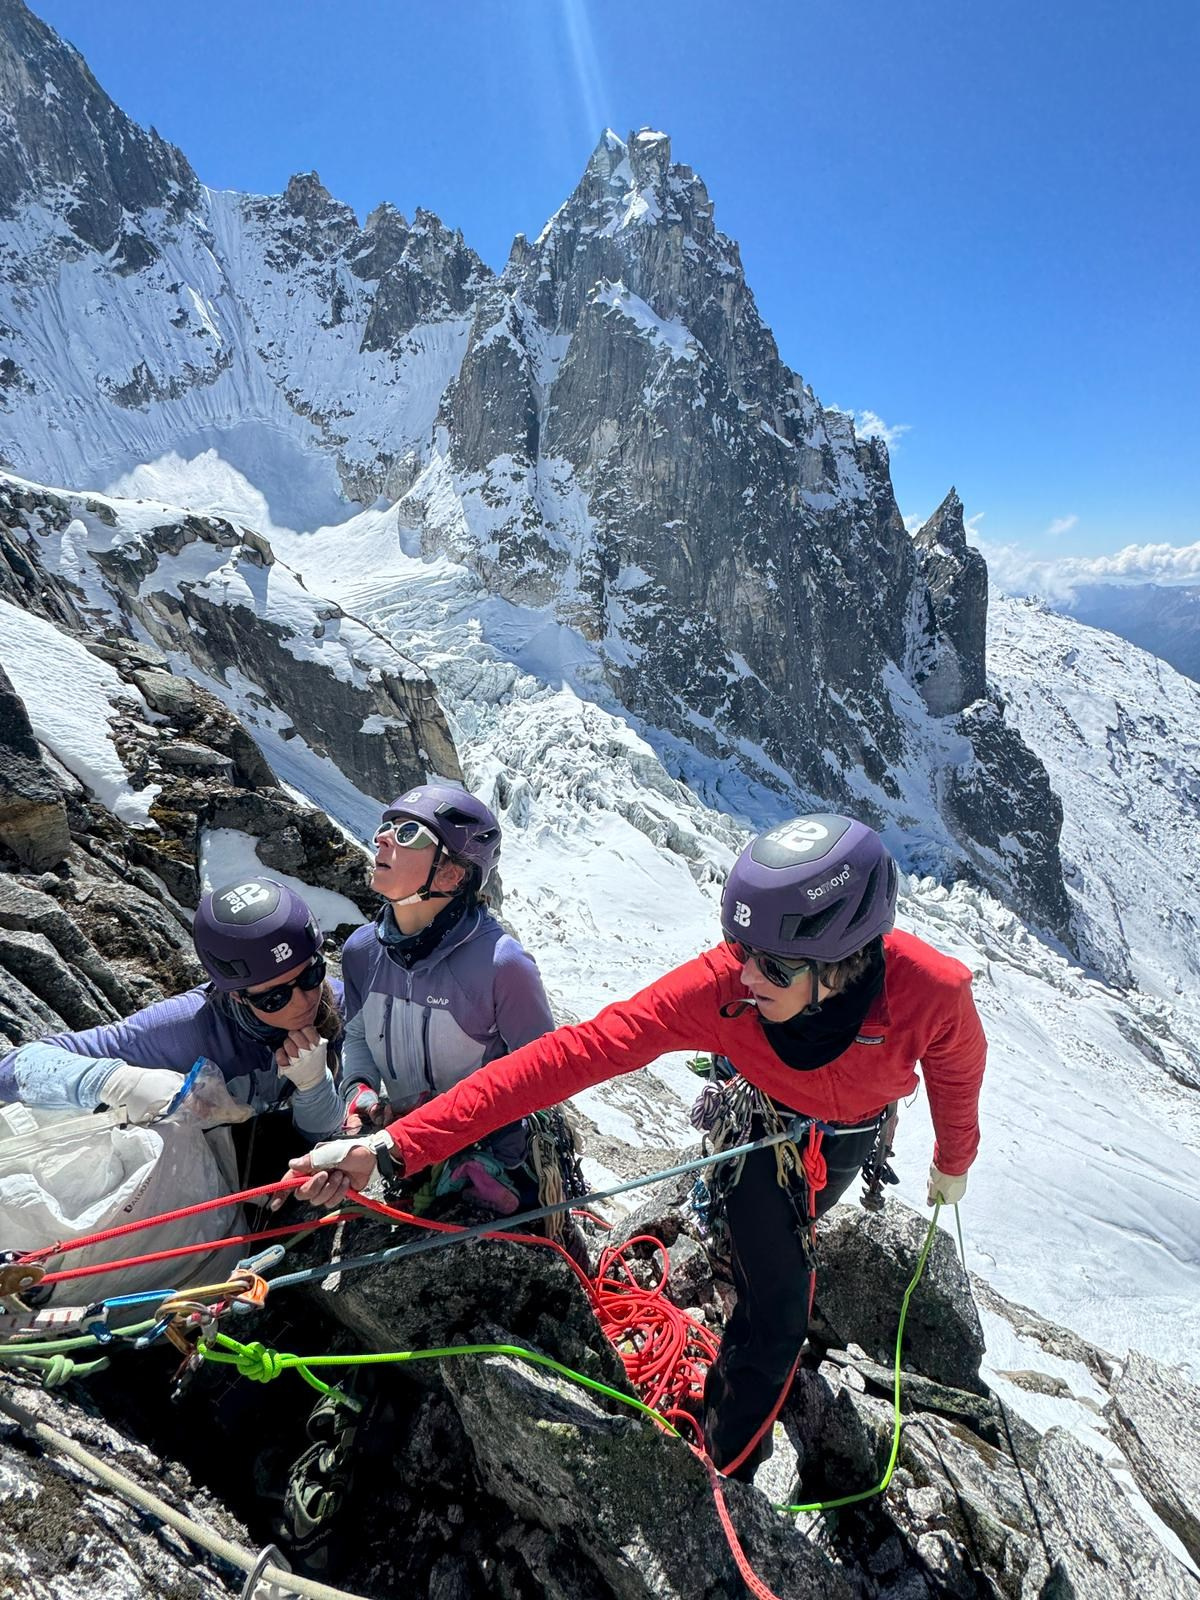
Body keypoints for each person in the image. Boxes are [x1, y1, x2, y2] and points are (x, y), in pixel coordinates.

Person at [288, 813, 987, 1478]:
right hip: (764, 1132)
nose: (744, 975)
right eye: (741, 952)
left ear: (840, 960)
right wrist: (393, 1147)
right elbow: (571, 1057)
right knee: (774, 1313)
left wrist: (954, 1160)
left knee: (784, 1258)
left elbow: (958, 1070)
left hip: (846, 1135)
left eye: (773, 967)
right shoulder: (722, 987)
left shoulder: (929, 991)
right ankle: (723, 1473)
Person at [335, 781, 559, 1216]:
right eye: (388, 827)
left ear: (452, 873)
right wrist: (358, 1092)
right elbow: (358, 1035)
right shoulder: (361, 951)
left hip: (497, 1170)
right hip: (404, 1157)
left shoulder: (503, 965)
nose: (381, 838)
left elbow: (542, 1079)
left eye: (408, 835)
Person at [0, 876, 345, 1153]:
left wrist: (315, 1085)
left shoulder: (340, 1003)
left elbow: (324, 1137)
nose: (303, 1002)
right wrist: (119, 1082)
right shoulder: (183, 1030)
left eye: (312, 974)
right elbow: (15, 1067)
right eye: (274, 998)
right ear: (237, 997)